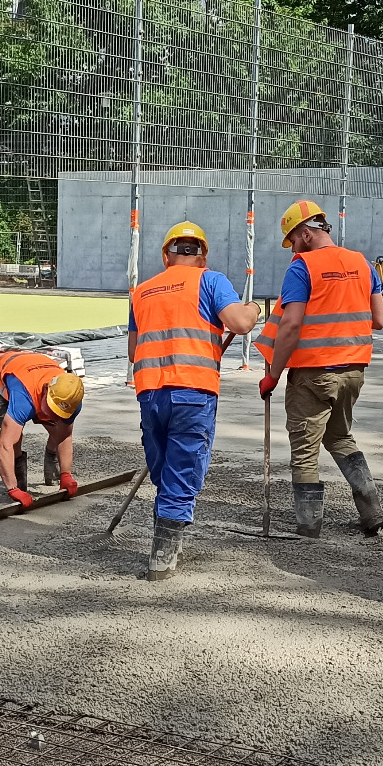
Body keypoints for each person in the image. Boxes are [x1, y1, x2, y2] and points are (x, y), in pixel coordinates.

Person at [128, 220, 261, 579]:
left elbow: (132, 350)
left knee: (165, 471)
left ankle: (166, 537)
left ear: (165, 255)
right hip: (192, 393)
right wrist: (254, 308)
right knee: (183, 470)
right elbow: (239, 322)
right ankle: (161, 560)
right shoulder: (211, 281)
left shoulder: (141, 291)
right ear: (203, 256)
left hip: (151, 393)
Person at [255, 200, 383, 538]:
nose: (293, 249)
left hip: (313, 374)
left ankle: (309, 524)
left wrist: (273, 374)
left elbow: (290, 325)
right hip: (353, 372)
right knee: (340, 436)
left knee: (304, 448)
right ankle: (371, 510)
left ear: (306, 233)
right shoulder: (362, 263)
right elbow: (380, 320)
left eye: (293, 241)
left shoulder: (303, 268)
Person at [0, 347, 84, 506]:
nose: (53, 416)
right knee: (14, 436)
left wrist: (66, 474)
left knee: (58, 427)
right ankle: (18, 483)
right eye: (51, 409)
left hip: (32, 368)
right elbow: (4, 445)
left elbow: (65, 436)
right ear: (45, 391)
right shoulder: (24, 399)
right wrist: (12, 488)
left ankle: (55, 474)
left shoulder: (71, 399)